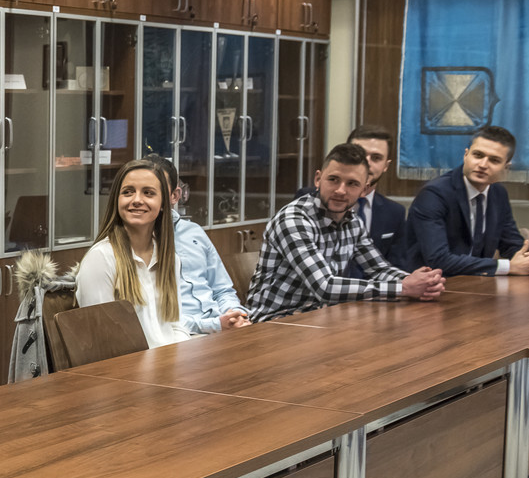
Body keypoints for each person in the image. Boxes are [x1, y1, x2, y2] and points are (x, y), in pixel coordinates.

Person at [247, 143, 445, 321]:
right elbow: (325, 287)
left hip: (320, 319)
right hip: (274, 322)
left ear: (364, 190)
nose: (341, 190)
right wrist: (404, 287)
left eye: (352, 183)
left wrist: (420, 282)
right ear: (318, 179)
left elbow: (378, 269)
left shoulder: (353, 222)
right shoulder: (294, 220)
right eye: (333, 179)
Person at [403, 125, 529, 278]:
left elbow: (511, 244)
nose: (483, 165)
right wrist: (508, 266)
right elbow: (439, 260)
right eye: (478, 155)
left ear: (506, 168)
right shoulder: (434, 194)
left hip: (475, 283)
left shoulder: (498, 194)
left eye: (494, 160)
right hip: (430, 284)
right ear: (466, 155)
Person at [75, 159, 190, 347]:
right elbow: (103, 339)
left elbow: (176, 326)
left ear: (163, 203)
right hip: (126, 364)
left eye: (148, 193)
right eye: (128, 192)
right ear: (117, 200)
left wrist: (182, 357)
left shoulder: (171, 259)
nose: (137, 200)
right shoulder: (101, 258)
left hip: (168, 360)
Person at [144, 154, 248, 334]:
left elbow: (222, 290)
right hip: (181, 335)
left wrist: (235, 314)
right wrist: (215, 325)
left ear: (175, 195)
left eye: (151, 191)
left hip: (221, 327)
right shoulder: (139, 243)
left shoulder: (194, 232)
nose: (141, 199)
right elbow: (154, 318)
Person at [295, 125, 406, 275]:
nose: (366, 163)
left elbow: (387, 268)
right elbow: (321, 282)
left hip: (370, 288)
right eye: (360, 155)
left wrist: (415, 282)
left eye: (376, 158)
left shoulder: (392, 213)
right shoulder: (304, 206)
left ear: (386, 165)